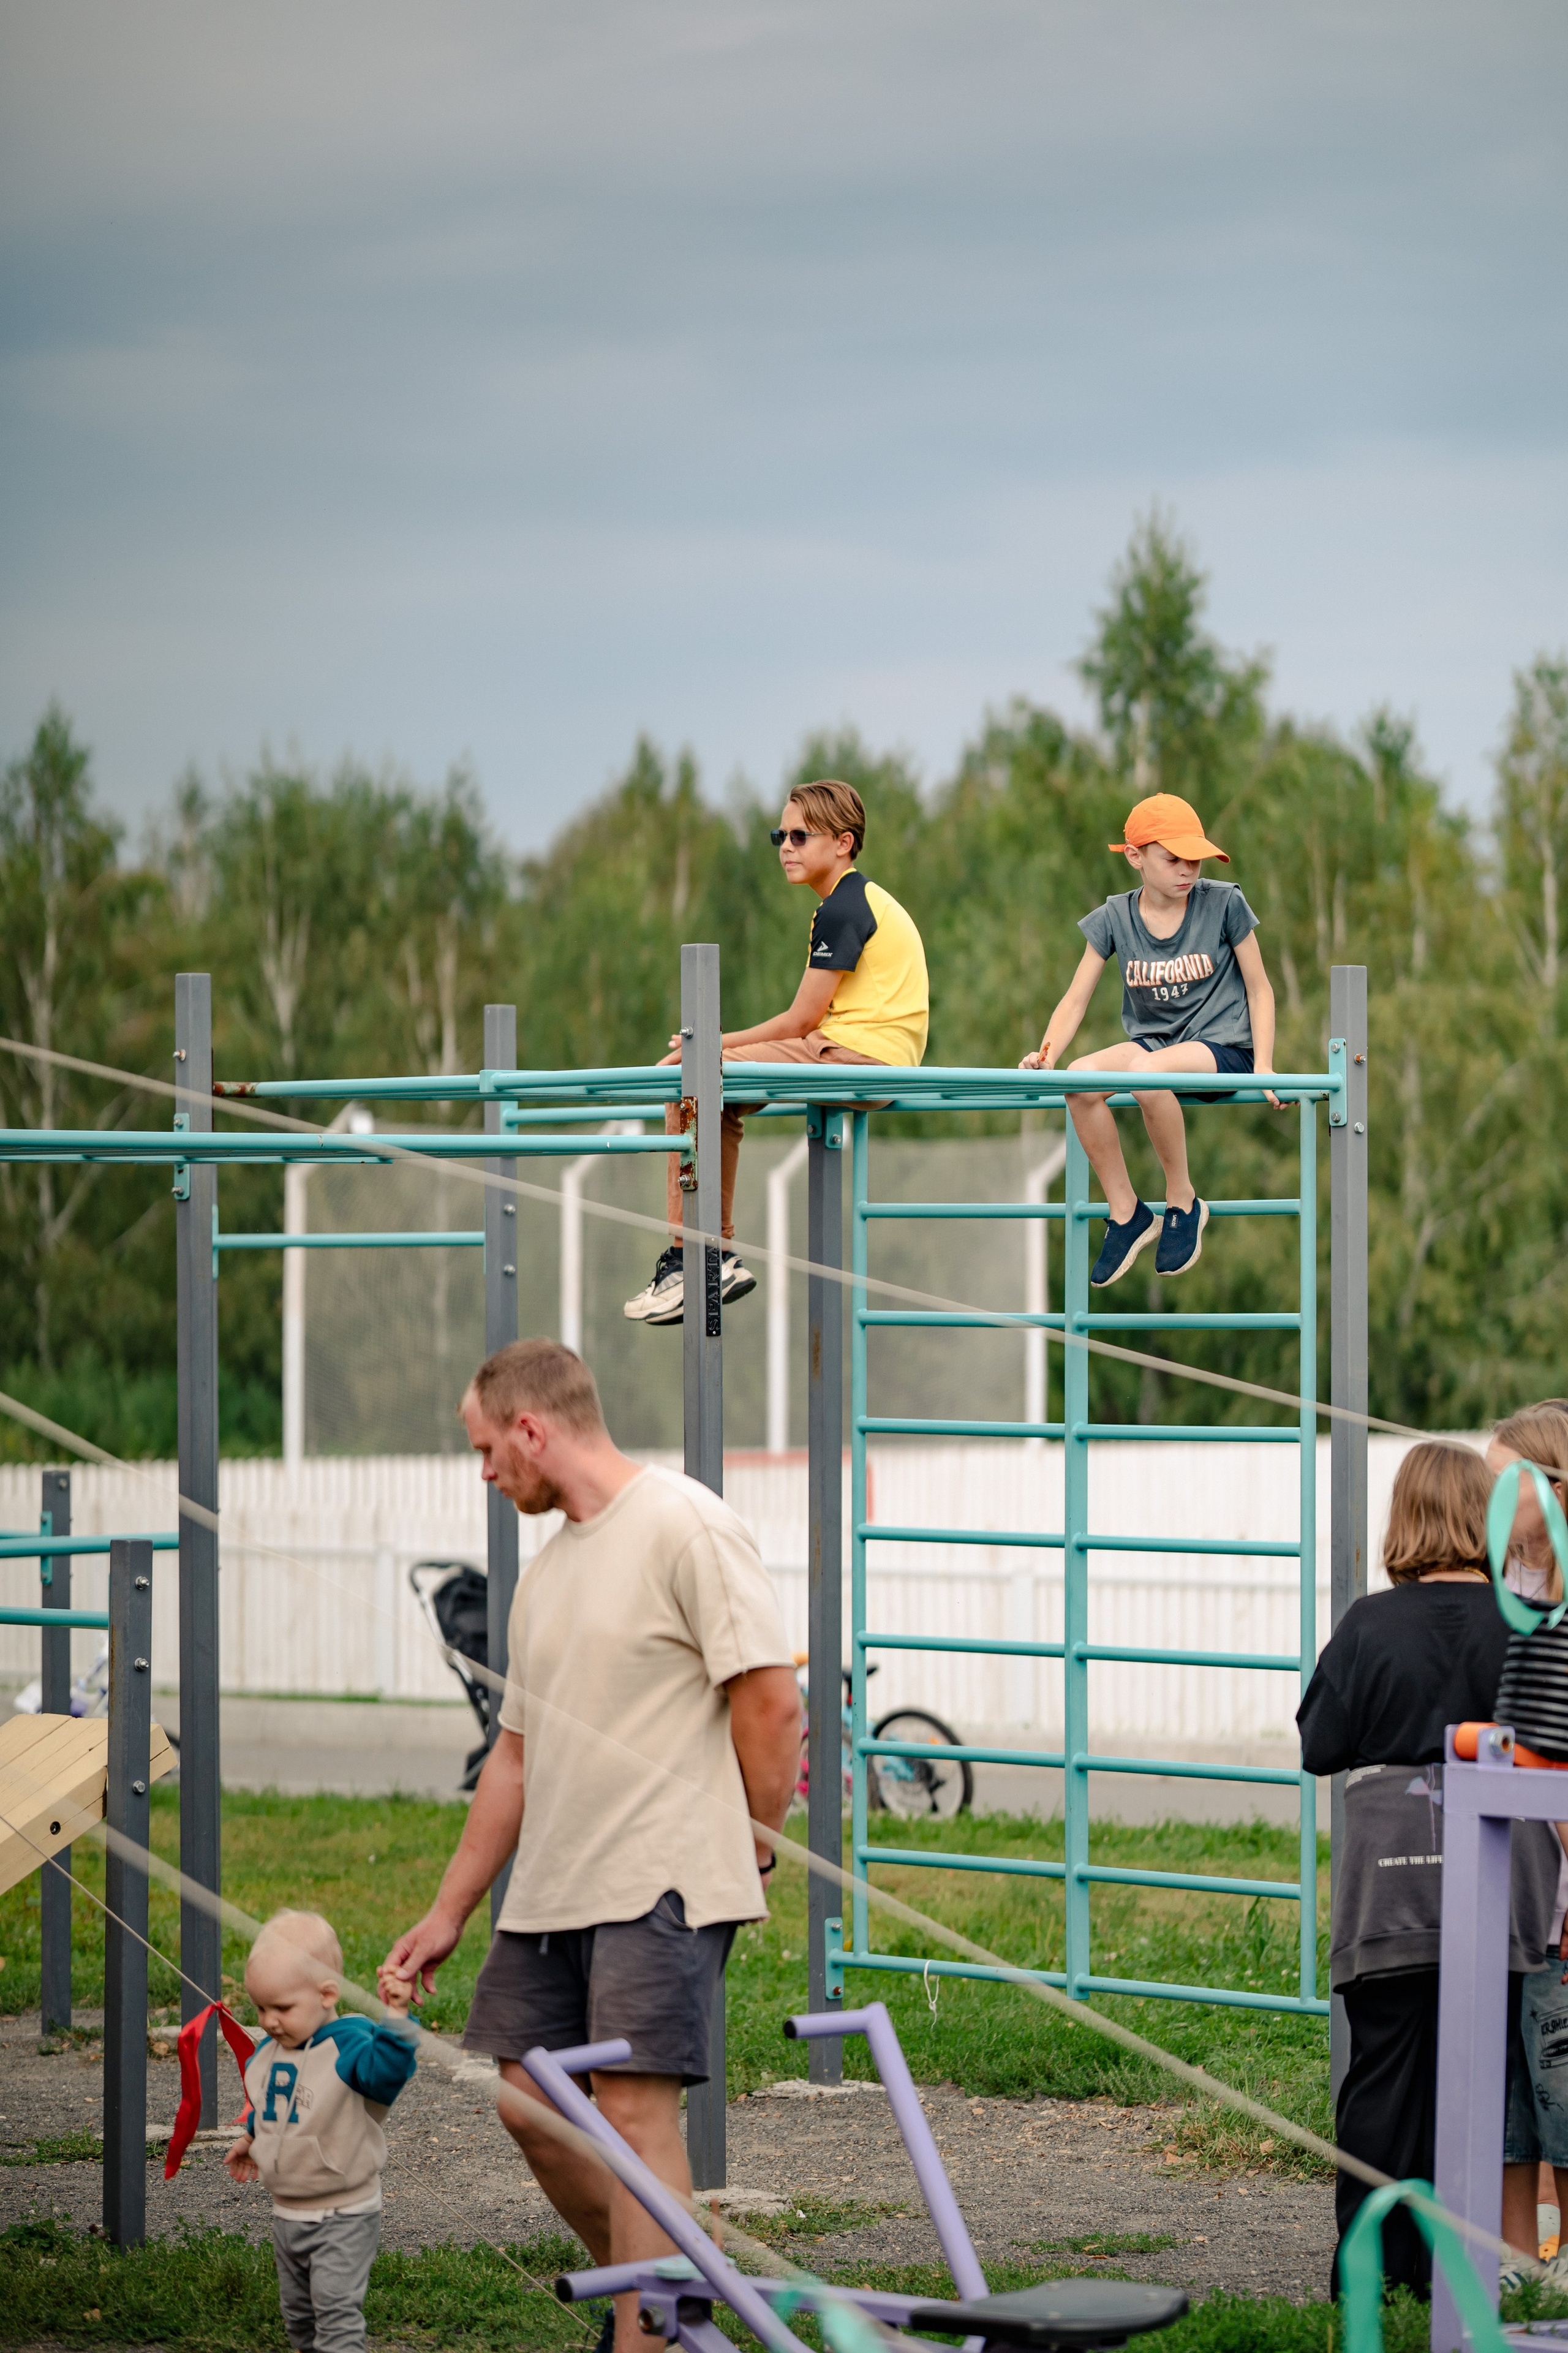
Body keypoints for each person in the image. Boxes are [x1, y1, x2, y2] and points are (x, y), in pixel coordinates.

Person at [382, 1340, 801, 2353]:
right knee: (530, 2105)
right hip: (551, 1895)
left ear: (533, 1428)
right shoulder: (548, 1573)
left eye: (488, 1449)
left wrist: (752, 1839)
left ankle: (649, 2333)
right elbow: (513, 1762)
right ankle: (675, 2301)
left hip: (660, 1882)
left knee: (633, 2115)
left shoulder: (684, 1524)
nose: (486, 1472)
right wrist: (450, 1910)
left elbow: (772, 1699)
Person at [1298, 1441, 1562, 2301]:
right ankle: (1456, 2278)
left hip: (1391, 1887)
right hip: (1499, 1885)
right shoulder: (1515, 1620)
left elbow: (1319, 1746)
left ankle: (1370, 2272)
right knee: (1478, 2090)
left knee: (1381, 2075)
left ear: (1403, 1518)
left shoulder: (1369, 1623)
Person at [624, 778, 929, 1324]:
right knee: (720, 1096)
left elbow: (800, 1019)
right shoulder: (855, 901)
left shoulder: (845, 907)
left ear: (843, 842)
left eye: (799, 835)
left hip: (856, 1057)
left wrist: (709, 1045)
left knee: (691, 1083)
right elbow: (806, 1025)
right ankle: (709, 1254)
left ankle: (691, 1259)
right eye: (778, 835)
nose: (785, 846)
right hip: (857, 1051)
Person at [1018, 790, 1280, 1286]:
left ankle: (1182, 1200)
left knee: (1144, 1072)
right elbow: (1075, 999)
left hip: (1220, 1048)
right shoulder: (1116, 916)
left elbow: (1260, 988)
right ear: (1136, 856)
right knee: (1078, 1080)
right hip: (1155, 1049)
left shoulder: (1224, 903)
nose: (1187, 871)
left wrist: (1264, 1064)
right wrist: (1046, 1054)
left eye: (1195, 860)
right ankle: (1127, 1212)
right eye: (1173, 859)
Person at [224, 1910, 417, 2353]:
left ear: (327, 1993)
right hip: (287, 2214)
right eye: (261, 2007)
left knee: (336, 2314)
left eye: (283, 2008)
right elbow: (271, 2106)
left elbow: (390, 2071)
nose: (270, 2020)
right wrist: (252, 2138)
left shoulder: (349, 2051)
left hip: (344, 2214)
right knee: (300, 2320)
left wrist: (396, 2014)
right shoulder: (267, 2054)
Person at [1487, 1407, 1568, 2264]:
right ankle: (1517, 2269)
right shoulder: (1521, 1580)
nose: (1489, 1495)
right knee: (1511, 2102)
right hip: (1514, 1894)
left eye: (1507, 1478)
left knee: (1563, 2096)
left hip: (1558, 1900)